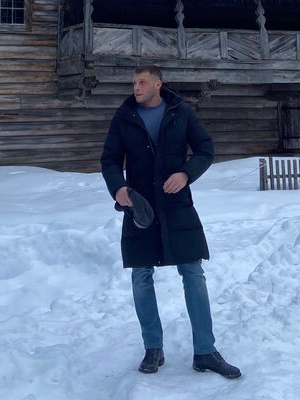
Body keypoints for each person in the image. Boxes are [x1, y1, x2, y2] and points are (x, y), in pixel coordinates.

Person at [100, 65, 241, 379]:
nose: (136, 87)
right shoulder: (124, 117)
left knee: (193, 273)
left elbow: (205, 149)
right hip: (141, 208)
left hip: (177, 207)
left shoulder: (181, 112)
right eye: (133, 82)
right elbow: (109, 159)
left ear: (158, 84)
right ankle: (153, 348)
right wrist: (118, 188)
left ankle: (205, 351)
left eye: (142, 82)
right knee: (141, 276)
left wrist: (186, 174)